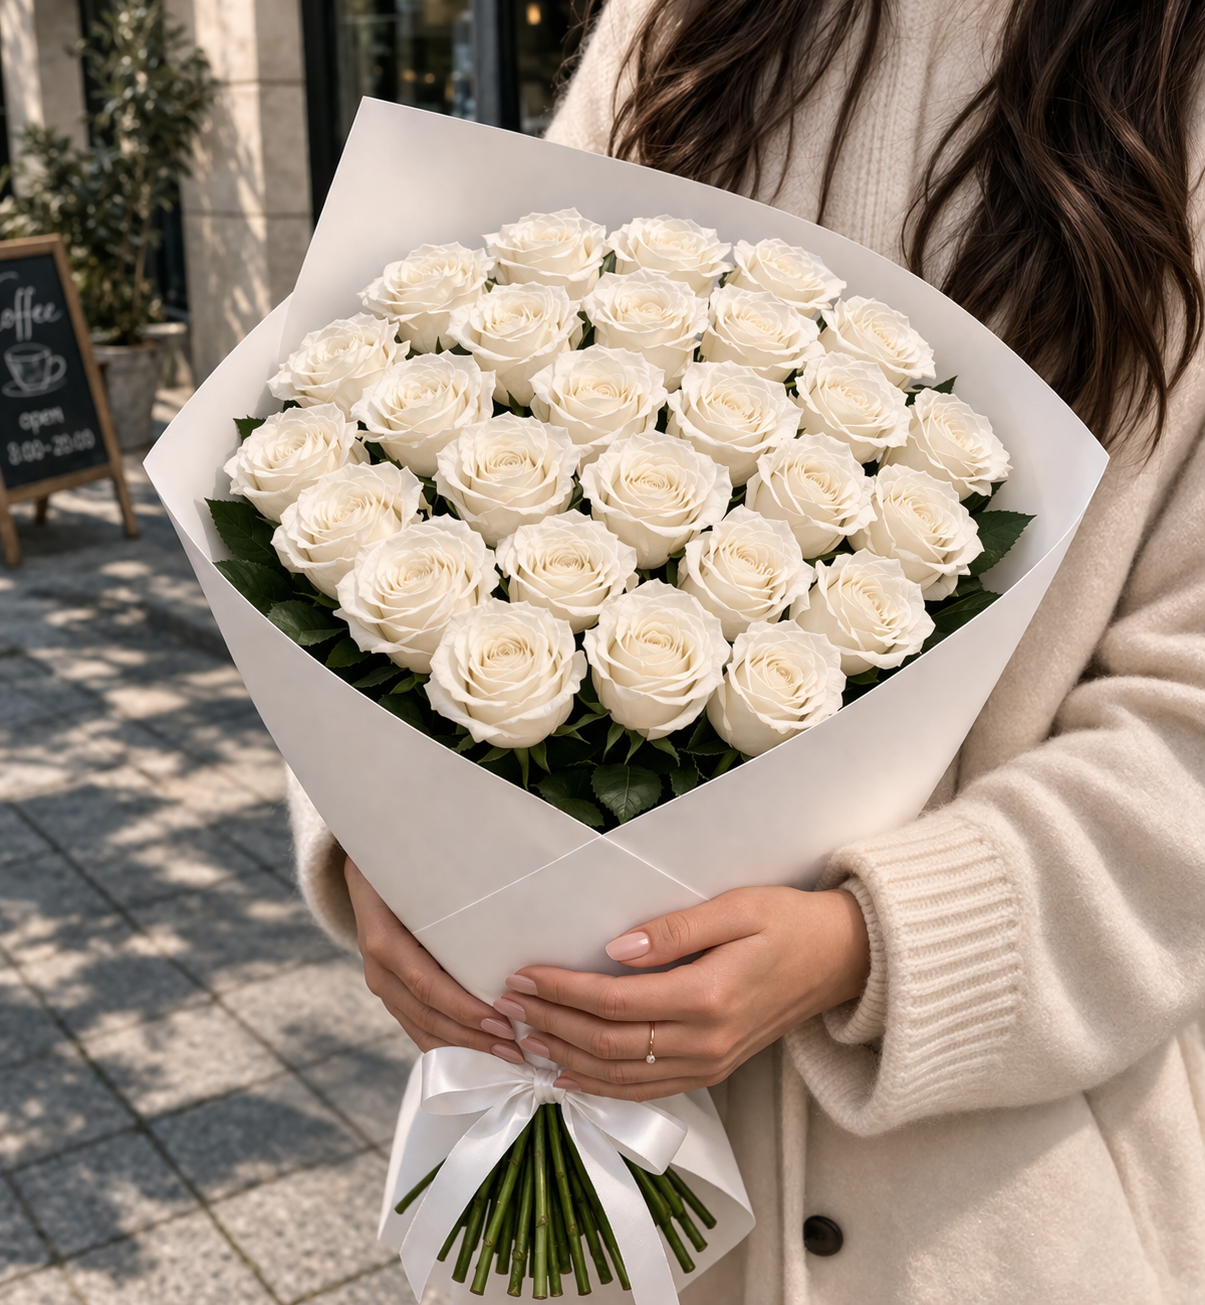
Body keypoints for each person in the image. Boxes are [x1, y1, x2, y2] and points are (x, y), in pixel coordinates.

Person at [288, 0, 1205, 1298]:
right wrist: (384, 838)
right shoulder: (679, 26)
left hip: (1001, 1219)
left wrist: (872, 946)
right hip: (589, 1138)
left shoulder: (1181, 106)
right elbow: (423, 415)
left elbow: (1188, 738)